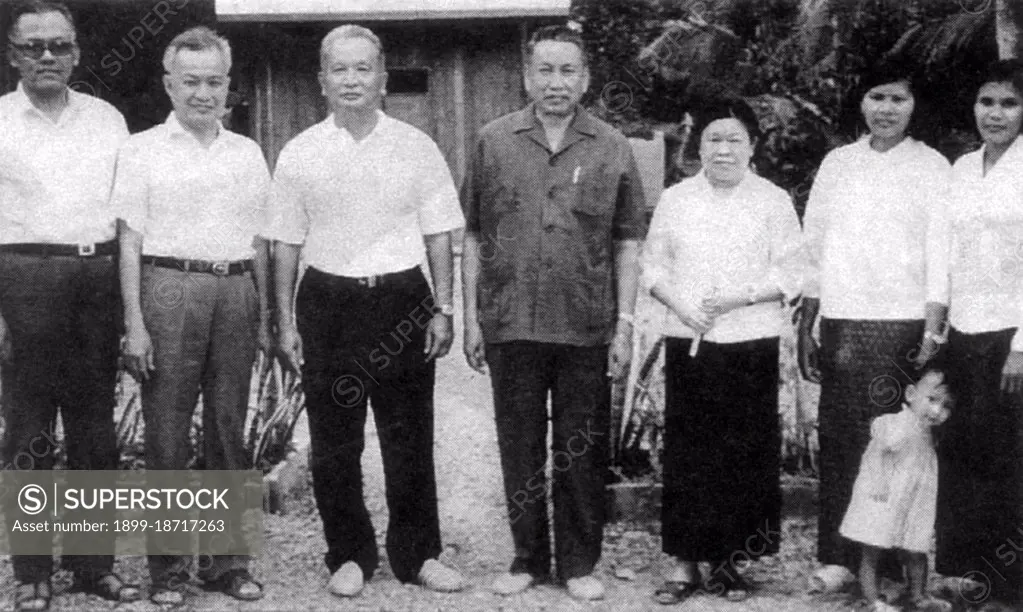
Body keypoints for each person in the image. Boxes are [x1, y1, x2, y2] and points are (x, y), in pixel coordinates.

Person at [266, 24, 466, 599]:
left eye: (363, 69)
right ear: (322, 81)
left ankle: (418, 553)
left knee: (409, 435)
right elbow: (285, 243)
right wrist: (284, 321)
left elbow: (437, 233)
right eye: (339, 69)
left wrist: (443, 307)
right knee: (335, 440)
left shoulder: (416, 145)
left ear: (383, 79)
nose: (351, 80)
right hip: (328, 302)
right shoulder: (300, 150)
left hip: (403, 300)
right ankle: (348, 554)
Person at [461, 24, 646, 602]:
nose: (556, 82)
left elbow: (628, 241)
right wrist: (471, 316)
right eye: (545, 70)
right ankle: (526, 559)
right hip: (511, 321)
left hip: (584, 324)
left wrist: (625, 324)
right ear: (527, 76)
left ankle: (579, 562)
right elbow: (471, 233)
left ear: (585, 78)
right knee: (519, 448)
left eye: (568, 71)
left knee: (580, 448)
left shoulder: (612, 146)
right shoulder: (494, 139)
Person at [113, 26, 269, 605]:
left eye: (214, 82)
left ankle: (229, 564)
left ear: (228, 86)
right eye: (191, 82)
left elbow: (260, 240)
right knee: (167, 434)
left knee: (230, 428)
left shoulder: (247, 152)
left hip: (234, 291)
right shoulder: (141, 148)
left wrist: (269, 315)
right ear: (168, 85)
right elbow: (129, 239)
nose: (203, 94)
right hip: (167, 286)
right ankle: (170, 571)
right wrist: (134, 320)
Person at [0, 2, 137, 610]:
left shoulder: (107, 120)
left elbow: (130, 215)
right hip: (23, 276)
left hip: (95, 278)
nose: (47, 57)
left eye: (59, 45)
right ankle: (31, 572)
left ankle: (91, 567)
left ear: (77, 53)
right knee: (28, 430)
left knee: (93, 432)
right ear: (13, 54)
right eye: (34, 47)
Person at [641, 98, 804, 605]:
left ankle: (731, 561)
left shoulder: (772, 200)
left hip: (750, 340)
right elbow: (653, 267)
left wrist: (742, 296)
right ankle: (686, 563)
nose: (724, 149)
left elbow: (793, 272)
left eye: (735, 139)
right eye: (714, 139)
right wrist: (683, 308)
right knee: (690, 452)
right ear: (699, 146)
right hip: (690, 339)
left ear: (753, 146)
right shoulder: (677, 199)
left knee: (743, 452)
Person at [798, 62, 952, 590]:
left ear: (914, 107)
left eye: (898, 99)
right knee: (844, 441)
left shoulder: (932, 167)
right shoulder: (838, 164)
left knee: (898, 447)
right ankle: (840, 559)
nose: (886, 109)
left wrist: (932, 331)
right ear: (861, 103)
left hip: (904, 325)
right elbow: (814, 247)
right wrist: (808, 323)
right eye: (876, 96)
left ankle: (891, 561)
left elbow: (940, 252)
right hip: (843, 321)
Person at [936, 59, 1023, 608]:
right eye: (987, 102)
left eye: (1009, 104)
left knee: (1011, 460)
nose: (996, 114)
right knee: (967, 452)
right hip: (964, 332)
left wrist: (1021, 347)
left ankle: (1013, 587)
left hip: (1012, 337)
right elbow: (947, 252)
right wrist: (939, 325)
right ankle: (972, 576)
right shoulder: (963, 169)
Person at [839, 369, 952, 612]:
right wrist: (878, 481)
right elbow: (877, 452)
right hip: (884, 497)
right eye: (931, 400)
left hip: (913, 500)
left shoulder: (928, 433)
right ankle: (873, 602)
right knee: (872, 549)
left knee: (916, 547)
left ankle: (919, 596)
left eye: (945, 406)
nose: (936, 410)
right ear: (911, 394)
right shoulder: (896, 424)